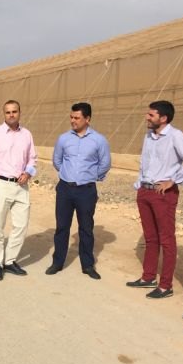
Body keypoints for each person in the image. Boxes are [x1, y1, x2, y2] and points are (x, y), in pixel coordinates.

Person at [126, 101, 183, 299]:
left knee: (166, 239)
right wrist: (140, 185)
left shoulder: (175, 135)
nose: (147, 118)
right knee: (150, 237)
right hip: (145, 191)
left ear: (163, 118)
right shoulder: (148, 136)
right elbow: (145, 163)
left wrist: (173, 181)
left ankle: (166, 286)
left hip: (163, 195)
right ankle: (148, 277)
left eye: (151, 115)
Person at [45, 102, 111, 279]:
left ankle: (88, 265)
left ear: (87, 119)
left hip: (86, 191)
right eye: (71, 117)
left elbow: (105, 164)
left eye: (77, 118)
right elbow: (57, 161)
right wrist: (68, 175)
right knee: (62, 227)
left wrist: (91, 176)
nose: (73, 120)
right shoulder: (63, 139)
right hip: (65, 189)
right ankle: (57, 262)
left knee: (86, 229)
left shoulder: (99, 140)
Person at [0, 100, 37, 281]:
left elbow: (32, 159)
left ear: (20, 112)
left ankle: (10, 261)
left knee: (21, 225)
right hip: (0, 185)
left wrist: (28, 173)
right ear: (3, 114)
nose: (11, 115)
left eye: (14, 111)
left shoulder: (27, 135)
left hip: (21, 186)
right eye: (8, 112)